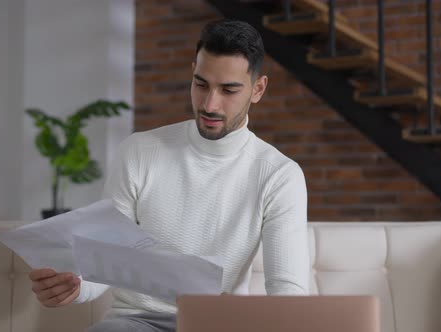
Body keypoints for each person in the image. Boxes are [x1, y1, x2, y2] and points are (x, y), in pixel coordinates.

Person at [29, 19, 309, 332]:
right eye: (201, 84)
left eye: (229, 90)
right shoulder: (139, 151)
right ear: (192, 71)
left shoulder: (279, 175)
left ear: (258, 89)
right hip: (136, 322)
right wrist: (74, 285)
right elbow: (104, 259)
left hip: (220, 323)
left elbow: (289, 291)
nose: (209, 104)